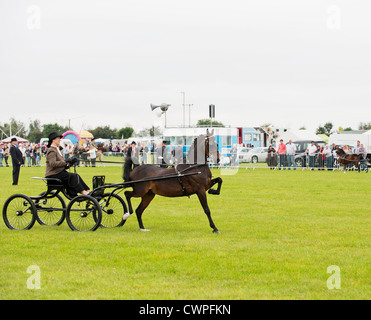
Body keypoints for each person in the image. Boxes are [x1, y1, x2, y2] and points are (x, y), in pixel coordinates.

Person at [45, 132, 90, 196]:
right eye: (58, 138)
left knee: (76, 176)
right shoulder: (51, 150)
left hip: (59, 173)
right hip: (53, 174)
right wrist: (65, 161)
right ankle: (83, 192)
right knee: (73, 176)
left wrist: (70, 162)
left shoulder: (57, 150)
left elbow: (63, 165)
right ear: (53, 140)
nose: (60, 140)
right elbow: (53, 164)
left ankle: (87, 190)